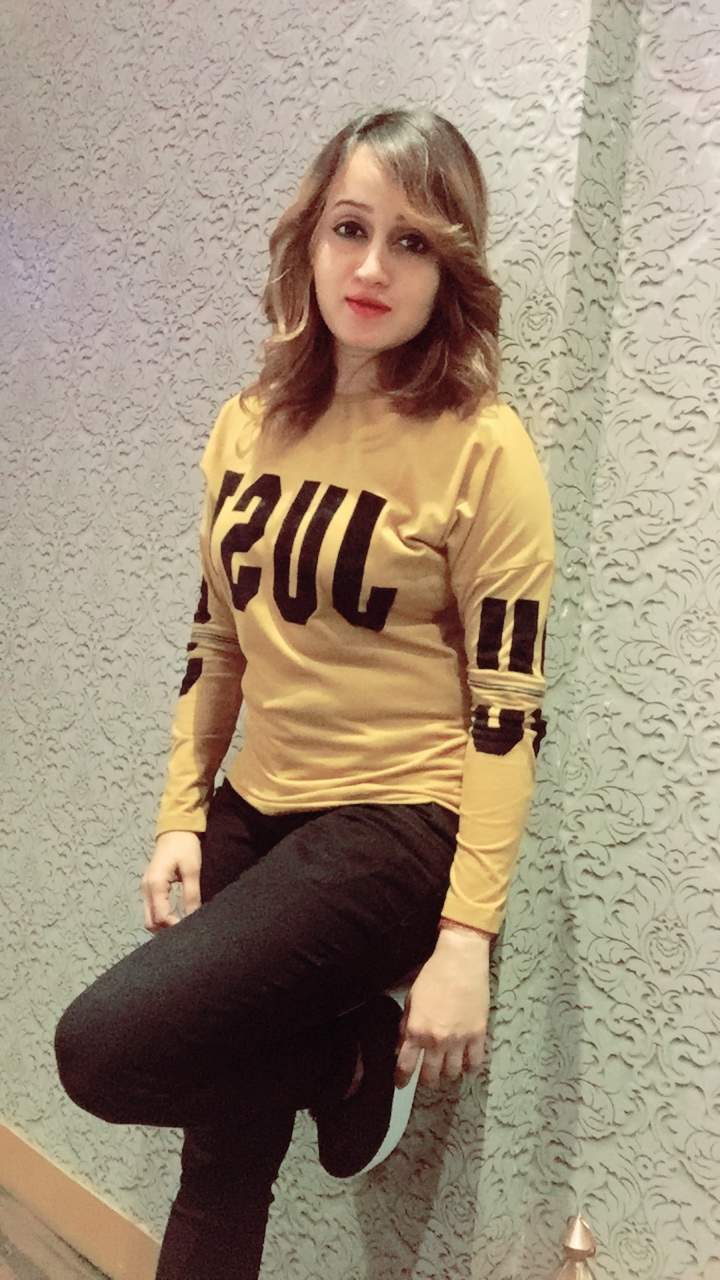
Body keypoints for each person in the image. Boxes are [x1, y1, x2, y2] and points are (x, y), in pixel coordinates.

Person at [55, 107, 554, 1280]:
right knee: (223, 1160)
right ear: (310, 240)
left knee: (104, 1049)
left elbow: (507, 707)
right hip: (259, 804)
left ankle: (351, 1057)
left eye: (413, 241)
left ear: (452, 266)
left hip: (396, 826)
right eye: (350, 228)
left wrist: (466, 936)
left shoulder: (484, 449)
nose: (372, 267)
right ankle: (344, 1061)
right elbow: (217, 639)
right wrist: (183, 811)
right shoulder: (248, 424)